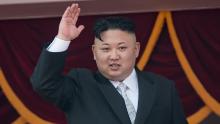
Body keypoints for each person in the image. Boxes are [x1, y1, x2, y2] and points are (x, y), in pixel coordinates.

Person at [31, 3, 188, 124]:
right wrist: (63, 38)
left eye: (121, 48)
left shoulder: (164, 88)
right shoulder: (80, 85)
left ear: (136, 49)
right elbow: (43, 83)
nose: (114, 56)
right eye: (105, 49)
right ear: (94, 52)